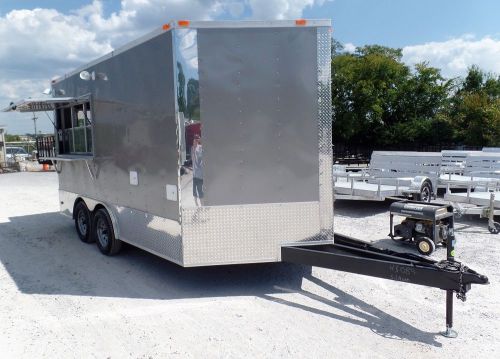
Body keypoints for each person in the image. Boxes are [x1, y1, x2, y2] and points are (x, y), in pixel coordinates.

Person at [191, 134, 203, 206]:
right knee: (194, 192)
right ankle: (196, 205)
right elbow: (193, 158)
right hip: (195, 174)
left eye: (197, 139)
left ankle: (202, 206)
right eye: (195, 139)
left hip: (200, 175)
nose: (196, 141)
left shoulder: (201, 148)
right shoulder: (192, 148)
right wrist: (194, 146)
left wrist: (200, 142)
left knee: (200, 192)